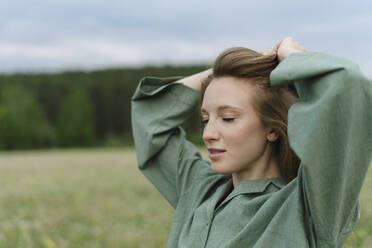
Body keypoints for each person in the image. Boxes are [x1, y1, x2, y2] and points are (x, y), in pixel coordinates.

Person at [130, 37, 372, 247]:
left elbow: (348, 85)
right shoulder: (199, 190)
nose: (208, 134)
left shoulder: (311, 208)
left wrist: (291, 58)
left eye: (227, 118)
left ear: (272, 129)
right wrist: (224, 73)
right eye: (205, 119)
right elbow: (149, 118)